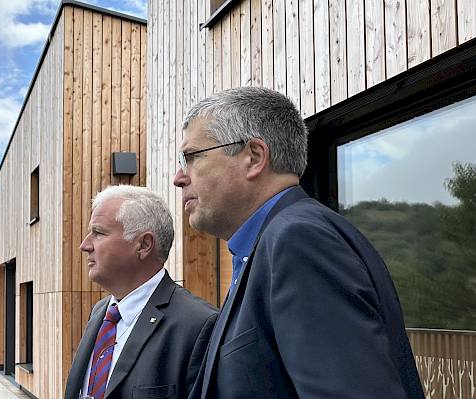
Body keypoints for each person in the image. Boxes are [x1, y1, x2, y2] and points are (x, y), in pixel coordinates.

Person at [174, 87, 424, 398]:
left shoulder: (297, 240)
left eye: (191, 157)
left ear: (253, 157)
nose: (178, 177)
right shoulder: (269, 244)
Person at [64, 185, 218, 399]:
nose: (84, 245)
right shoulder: (101, 313)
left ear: (144, 244)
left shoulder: (199, 325)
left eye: (98, 233)